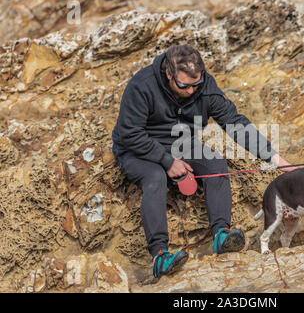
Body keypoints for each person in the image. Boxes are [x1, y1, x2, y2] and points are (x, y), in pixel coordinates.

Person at [112, 44, 294, 279]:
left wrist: (275, 159)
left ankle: (221, 235)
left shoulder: (205, 87)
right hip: (136, 148)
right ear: (168, 73)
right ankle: (160, 257)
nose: (190, 91)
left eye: (195, 84)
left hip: (181, 143)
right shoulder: (142, 85)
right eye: (183, 85)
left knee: (216, 162)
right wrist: (167, 162)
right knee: (154, 177)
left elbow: (235, 123)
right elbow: (129, 133)